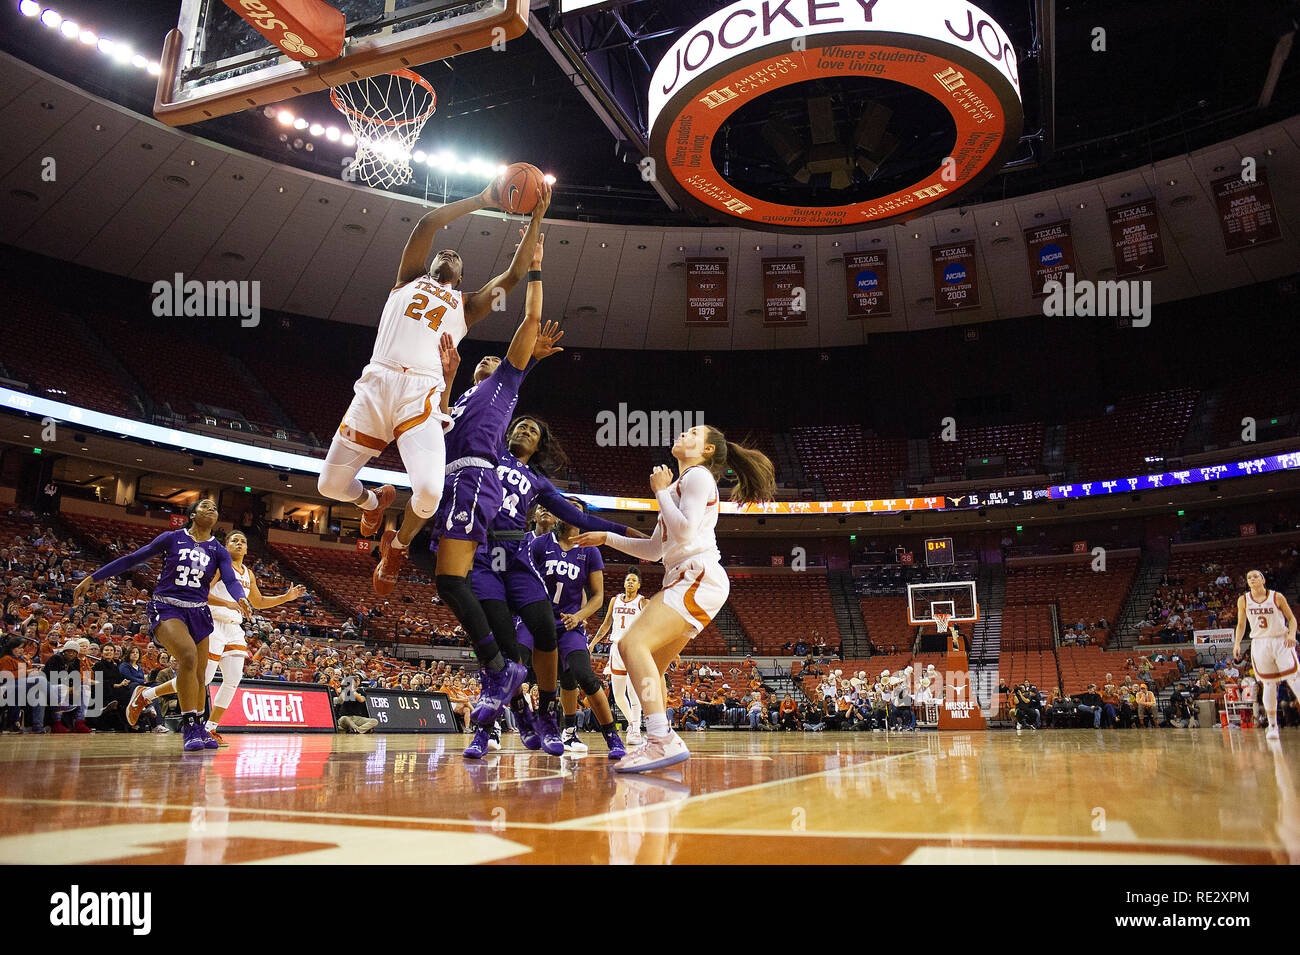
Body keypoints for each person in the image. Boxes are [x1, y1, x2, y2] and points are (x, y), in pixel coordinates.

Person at [316, 175, 549, 598]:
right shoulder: (407, 278)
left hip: (419, 392)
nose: (448, 254)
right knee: (329, 487)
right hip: (376, 381)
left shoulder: (467, 306)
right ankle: (372, 505)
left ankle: (398, 546)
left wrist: (536, 217)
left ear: (460, 279)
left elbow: (515, 275)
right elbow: (426, 224)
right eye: (445, 253)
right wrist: (482, 198)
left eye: (457, 258)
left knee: (428, 492)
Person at [575, 425, 775, 772]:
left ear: (708, 450)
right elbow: (655, 550)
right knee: (650, 658)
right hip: (686, 576)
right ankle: (663, 738)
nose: (684, 433)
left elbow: (684, 531)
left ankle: (659, 739)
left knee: (631, 644)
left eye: (693, 433)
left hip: (696, 574)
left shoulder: (697, 477)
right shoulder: (683, 485)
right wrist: (607, 537)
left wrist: (660, 492)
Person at [74, 498, 251, 752]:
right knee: (188, 656)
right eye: (205, 506)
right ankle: (189, 726)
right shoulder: (172, 538)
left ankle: (199, 726)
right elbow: (133, 558)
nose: (211, 508)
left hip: (199, 612)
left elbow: (232, 581)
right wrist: (93, 577)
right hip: (168, 606)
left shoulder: (218, 550)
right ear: (192, 515)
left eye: (215, 507)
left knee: (201, 676)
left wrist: (241, 598)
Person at [129, 531, 305, 745]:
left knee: (233, 679)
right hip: (212, 623)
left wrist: (285, 598)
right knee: (202, 679)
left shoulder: (248, 573)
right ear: (226, 546)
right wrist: (227, 603)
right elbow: (201, 592)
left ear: (247, 549)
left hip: (233, 628)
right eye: (234, 540)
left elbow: (257, 602)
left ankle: (210, 728)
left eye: (243, 541)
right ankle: (147, 693)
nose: (239, 543)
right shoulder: (218, 567)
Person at [528, 503, 625, 758]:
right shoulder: (541, 544)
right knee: (545, 680)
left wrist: (579, 616)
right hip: (541, 623)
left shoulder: (590, 551)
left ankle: (611, 736)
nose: (567, 512)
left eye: (575, 509)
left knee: (583, 675)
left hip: (570, 625)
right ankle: (553, 730)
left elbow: (598, 596)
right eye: (565, 507)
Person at [592, 567, 649, 744]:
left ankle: (636, 730)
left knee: (633, 693)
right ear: (624, 583)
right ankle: (632, 724)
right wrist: (593, 643)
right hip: (616, 648)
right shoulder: (615, 600)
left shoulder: (642, 602)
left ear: (639, 585)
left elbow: (649, 626)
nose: (630, 582)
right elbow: (607, 623)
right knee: (617, 695)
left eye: (633, 580)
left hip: (633, 649)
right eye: (627, 580)